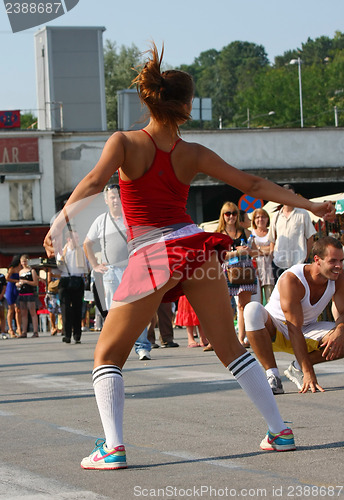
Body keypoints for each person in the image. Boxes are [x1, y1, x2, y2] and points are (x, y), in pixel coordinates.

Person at [44, 43, 335, 469]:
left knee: (107, 355)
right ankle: (279, 431)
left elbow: (91, 183)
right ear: (185, 106)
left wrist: (58, 223)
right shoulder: (193, 153)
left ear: (150, 98)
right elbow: (252, 183)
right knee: (230, 348)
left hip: (154, 253)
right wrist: (308, 205)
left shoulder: (125, 142)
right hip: (194, 247)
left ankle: (113, 447)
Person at [244, 236, 344, 395]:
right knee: (251, 310)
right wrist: (308, 371)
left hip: (306, 328)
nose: (338, 266)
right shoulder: (292, 279)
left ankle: (296, 367)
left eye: (341, 260)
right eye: (333, 261)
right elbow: (293, 327)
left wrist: (340, 329)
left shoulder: (339, 277)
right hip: (275, 329)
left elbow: (341, 313)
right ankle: (273, 376)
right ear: (317, 260)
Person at [83, 184, 152, 361]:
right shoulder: (101, 220)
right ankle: (113, 348)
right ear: (106, 200)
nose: (115, 200)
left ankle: (142, 347)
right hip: (110, 271)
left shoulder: (130, 219)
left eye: (117, 196)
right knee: (113, 311)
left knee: (137, 308)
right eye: (111, 197)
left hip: (132, 269)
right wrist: (95, 265)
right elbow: (87, 244)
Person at [215, 202, 257, 347]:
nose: (231, 216)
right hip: (227, 271)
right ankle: (226, 337)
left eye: (234, 213)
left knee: (243, 306)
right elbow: (218, 256)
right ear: (223, 216)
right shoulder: (219, 234)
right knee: (225, 305)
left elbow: (256, 252)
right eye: (228, 213)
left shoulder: (245, 232)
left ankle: (241, 339)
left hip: (245, 270)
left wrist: (248, 251)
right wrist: (237, 252)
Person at [268, 184, 316, 281]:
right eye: (285, 195)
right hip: (279, 262)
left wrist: (305, 257)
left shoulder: (303, 214)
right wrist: (272, 257)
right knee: (280, 293)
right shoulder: (276, 216)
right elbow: (272, 239)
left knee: (299, 292)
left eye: (291, 195)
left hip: (298, 261)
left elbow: (310, 238)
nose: (288, 198)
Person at [58, 230, 87, 344]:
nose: (77, 240)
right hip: (65, 280)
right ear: (68, 239)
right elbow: (56, 267)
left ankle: (77, 334)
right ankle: (67, 334)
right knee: (65, 309)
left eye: (78, 238)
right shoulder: (61, 252)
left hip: (77, 279)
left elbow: (87, 266)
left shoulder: (81, 251)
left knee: (77, 308)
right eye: (75, 238)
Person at [251, 208, 274, 303]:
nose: (260, 219)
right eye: (257, 217)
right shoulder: (251, 233)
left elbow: (273, 250)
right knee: (257, 301)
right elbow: (251, 251)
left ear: (267, 219)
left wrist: (258, 248)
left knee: (270, 299)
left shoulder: (271, 232)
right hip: (255, 269)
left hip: (270, 270)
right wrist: (266, 248)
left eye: (263, 217)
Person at [17, 254, 39, 338]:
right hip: (22, 293)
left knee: (32, 312)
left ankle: (35, 331)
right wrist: (19, 284)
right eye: (23, 262)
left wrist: (26, 282)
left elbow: (35, 283)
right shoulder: (20, 272)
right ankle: (24, 331)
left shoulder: (32, 271)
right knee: (23, 313)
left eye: (25, 261)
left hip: (30, 293)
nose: (24, 263)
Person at [5, 255, 23, 338]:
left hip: (18, 288)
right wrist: (16, 280)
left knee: (18, 309)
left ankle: (19, 328)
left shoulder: (21, 268)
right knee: (11, 309)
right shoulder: (12, 268)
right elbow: (7, 278)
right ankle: (10, 329)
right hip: (11, 288)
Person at [0, 272, 7, 339]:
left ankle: (3, 332)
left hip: (1, 298)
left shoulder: (2, 276)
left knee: (2, 315)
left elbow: (4, 287)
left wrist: (1, 294)